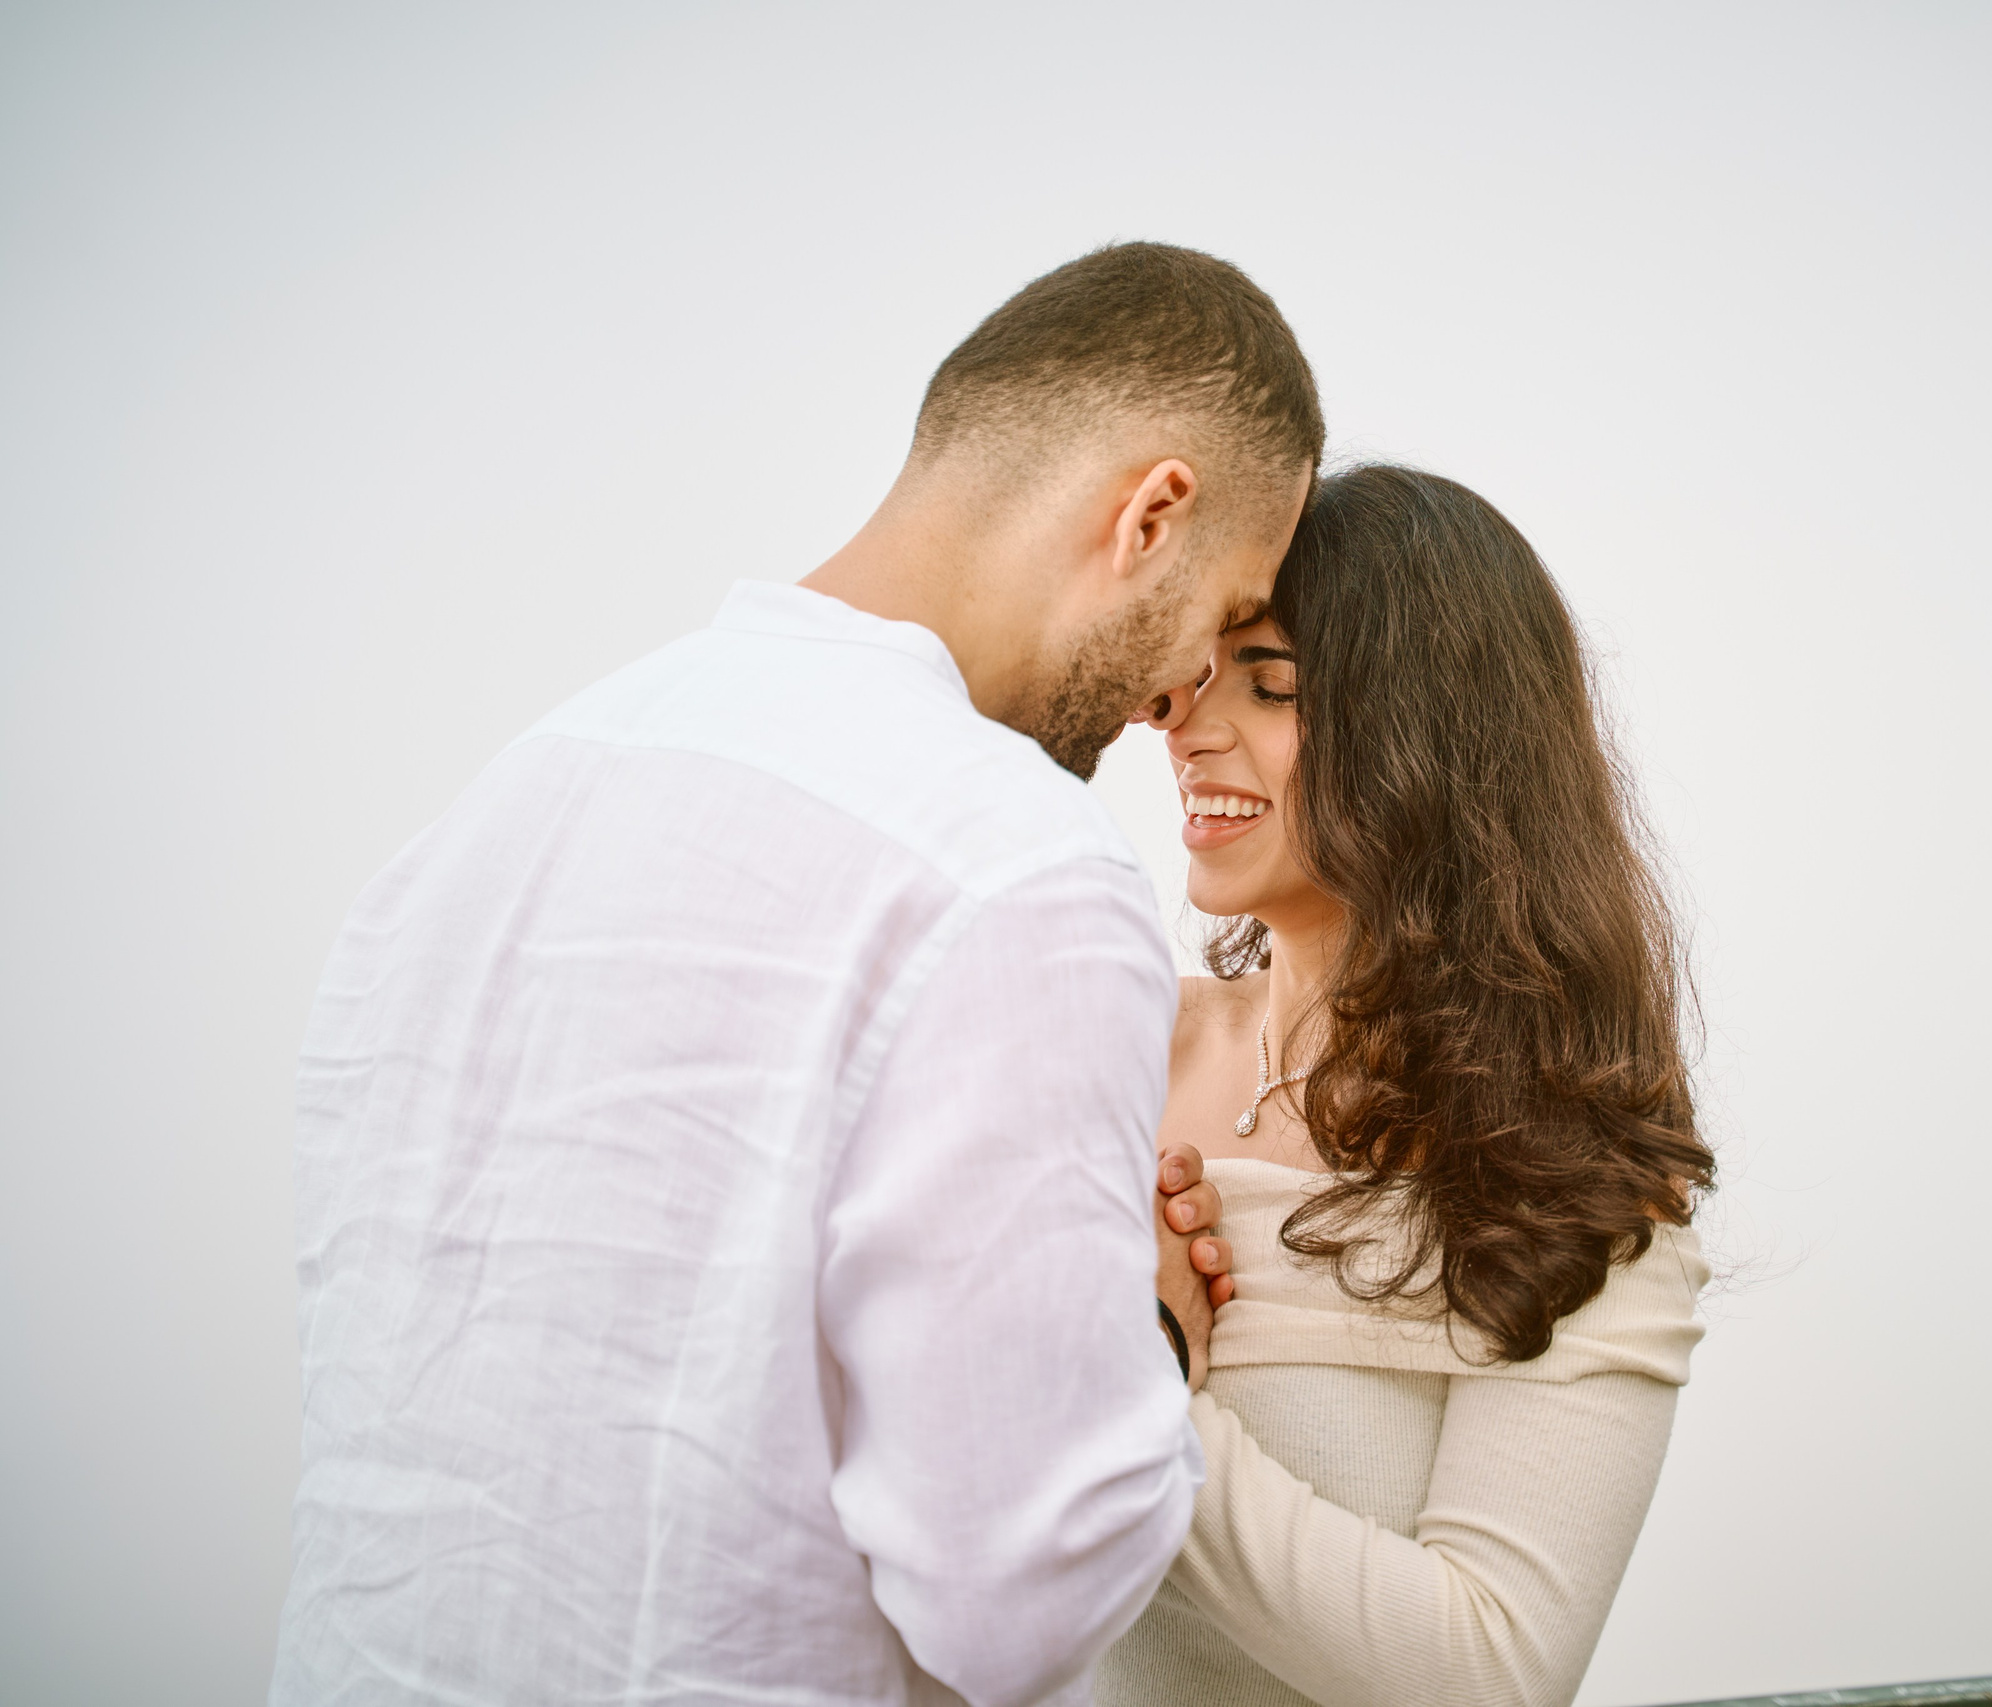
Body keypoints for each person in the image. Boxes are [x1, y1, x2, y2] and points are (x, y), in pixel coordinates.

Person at [271, 242, 1317, 1706]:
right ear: (1153, 514)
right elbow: (1019, 1594)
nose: (1175, 699)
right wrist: (1147, 1321)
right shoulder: (1015, 862)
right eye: (1222, 620)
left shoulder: (511, 795)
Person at [1099, 464, 1717, 1707]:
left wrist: (1136, 1383)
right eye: (1195, 675)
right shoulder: (1101, 1049)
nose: (1186, 725)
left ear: (1431, 742)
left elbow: (1485, 1673)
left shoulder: (1568, 1179)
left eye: (1272, 687)